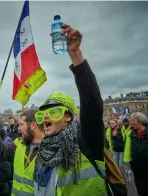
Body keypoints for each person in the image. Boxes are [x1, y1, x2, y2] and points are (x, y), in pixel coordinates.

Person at [33, 24, 108, 196]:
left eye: (53, 112)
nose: (45, 117)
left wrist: (75, 54)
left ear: (67, 116)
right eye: (42, 114)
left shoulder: (86, 140)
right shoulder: (42, 151)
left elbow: (92, 103)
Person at [10, 109, 44, 196]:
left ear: (33, 125)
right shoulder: (19, 143)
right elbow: (2, 151)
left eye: (21, 124)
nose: (19, 128)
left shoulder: (50, 150)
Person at [123, 112, 148, 196]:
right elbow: (127, 148)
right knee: (140, 186)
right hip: (136, 165)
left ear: (140, 121)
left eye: (132, 120)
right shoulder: (131, 133)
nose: (130, 122)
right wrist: (128, 162)